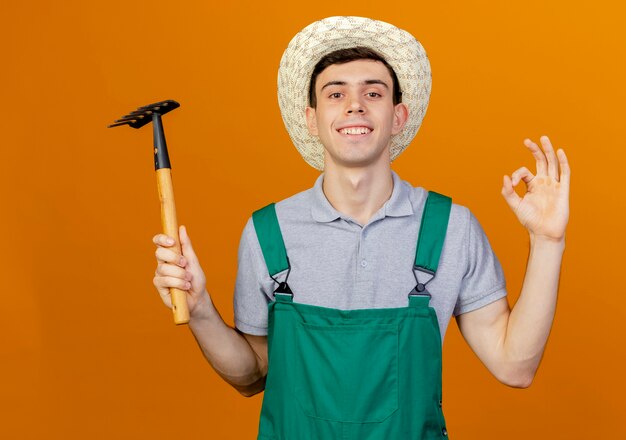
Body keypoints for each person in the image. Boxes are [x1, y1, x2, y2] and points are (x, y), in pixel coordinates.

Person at [152, 16, 570, 439]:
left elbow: (515, 366)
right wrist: (202, 308)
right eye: (336, 94)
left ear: (397, 116)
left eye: (373, 92)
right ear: (313, 119)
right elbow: (253, 375)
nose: (355, 105)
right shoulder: (268, 231)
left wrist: (547, 241)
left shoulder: (450, 228)